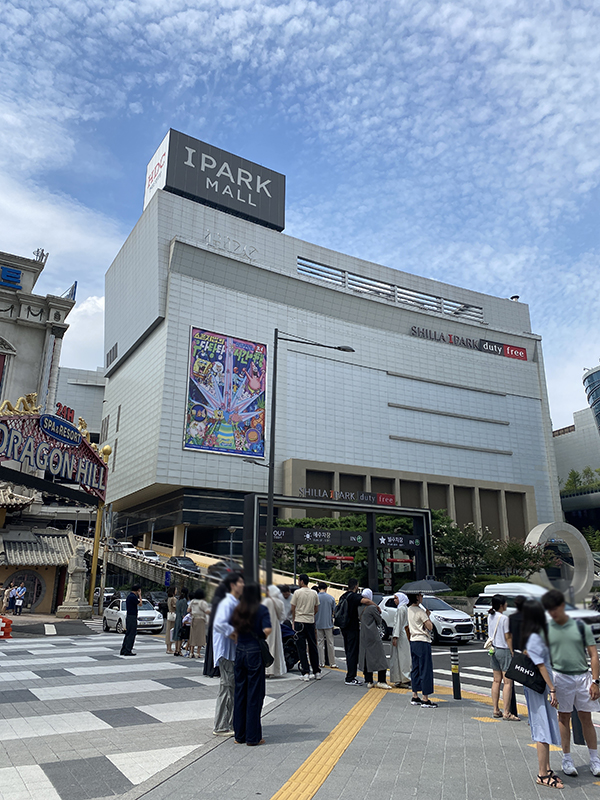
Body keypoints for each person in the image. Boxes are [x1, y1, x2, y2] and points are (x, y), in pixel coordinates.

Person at [542, 589, 600, 777]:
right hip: (561, 677)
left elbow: (593, 655)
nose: (552, 613)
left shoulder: (581, 626)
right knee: (563, 718)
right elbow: (539, 655)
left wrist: (595, 681)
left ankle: (595, 760)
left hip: (583, 677)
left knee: (586, 718)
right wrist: (551, 687)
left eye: (554, 608)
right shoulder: (547, 628)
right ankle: (567, 759)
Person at [520, 599, 563, 789]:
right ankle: (542, 774)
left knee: (545, 725)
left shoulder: (531, 632)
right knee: (542, 727)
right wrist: (552, 688)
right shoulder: (535, 635)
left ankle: (547, 768)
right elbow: (540, 664)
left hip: (538, 686)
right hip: (539, 687)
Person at [231, 583, 272, 745]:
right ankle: (253, 737)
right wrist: (259, 635)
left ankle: (239, 736)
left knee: (240, 693)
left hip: (240, 651)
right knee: (254, 694)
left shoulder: (238, 609)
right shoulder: (261, 609)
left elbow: (232, 631)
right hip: (254, 652)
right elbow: (267, 630)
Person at [212, 572, 244, 736]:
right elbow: (219, 624)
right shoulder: (227, 603)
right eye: (240, 583)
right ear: (232, 585)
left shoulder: (235, 602)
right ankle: (220, 726)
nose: (243, 585)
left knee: (231, 689)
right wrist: (235, 634)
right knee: (226, 688)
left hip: (231, 652)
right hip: (226, 653)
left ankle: (229, 723)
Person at [338, 578, 378, 686]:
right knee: (352, 652)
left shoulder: (343, 596)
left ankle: (350, 676)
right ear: (356, 586)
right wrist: (376, 606)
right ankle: (350, 677)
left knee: (348, 651)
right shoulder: (353, 596)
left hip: (344, 627)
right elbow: (367, 601)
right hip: (352, 628)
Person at [487, 593, 518, 720]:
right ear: (501, 605)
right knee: (507, 682)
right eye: (505, 603)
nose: (506, 604)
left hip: (493, 649)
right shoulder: (504, 618)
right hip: (504, 650)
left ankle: (495, 709)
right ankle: (506, 712)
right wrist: (512, 651)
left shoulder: (490, 616)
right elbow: (508, 637)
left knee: (496, 680)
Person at [407, 592, 437, 708]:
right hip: (423, 641)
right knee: (425, 669)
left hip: (413, 640)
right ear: (417, 597)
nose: (422, 597)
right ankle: (425, 698)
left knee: (415, 668)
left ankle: (415, 695)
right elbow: (430, 627)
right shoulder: (420, 611)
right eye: (421, 595)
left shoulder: (409, 609)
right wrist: (427, 616)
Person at [291, 574, 321, 682]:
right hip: (310, 621)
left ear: (302, 581)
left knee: (301, 648)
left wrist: (294, 620)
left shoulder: (297, 593)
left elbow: (293, 607)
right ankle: (317, 671)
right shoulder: (314, 593)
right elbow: (316, 608)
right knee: (313, 646)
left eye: (299, 580)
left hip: (299, 621)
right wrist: (310, 615)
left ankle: (306, 672)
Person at [358, 589, 391, 689]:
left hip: (363, 634)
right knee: (380, 658)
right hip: (373, 634)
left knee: (367, 657)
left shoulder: (359, 607)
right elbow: (379, 621)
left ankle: (369, 680)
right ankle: (381, 680)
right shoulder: (372, 608)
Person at [204, 582, 227, 677]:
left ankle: (209, 669)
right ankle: (215, 670)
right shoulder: (221, 601)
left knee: (212, 649)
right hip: (218, 629)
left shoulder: (216, 600)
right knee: (218, 649)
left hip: (213, 627)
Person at [263, 585, 286, 677]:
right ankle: (275, 670)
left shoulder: (266, 601)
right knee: (276, 648)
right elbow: (283, 616)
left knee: (266, 647)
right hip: (276, 627)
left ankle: (267, 669)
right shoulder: (280, 602)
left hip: (265, 627)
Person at [389, 592, 411, 688]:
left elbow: (398, 623)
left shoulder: (401, 609)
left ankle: (403, 679)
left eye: (396, 598)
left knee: (400, 657)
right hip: (404, 634)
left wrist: (395, 636)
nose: (394, 600)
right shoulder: (405, 608)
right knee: (404, 657)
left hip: (400, 635)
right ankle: (403, 678)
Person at [315, 582, 337, 669]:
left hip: (318, 623)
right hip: (328, 623)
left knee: (320, 643)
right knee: (330, 643)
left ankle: (321, 662)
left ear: (318, 588)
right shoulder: (330, 598)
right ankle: (332, 663)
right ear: (326, 588)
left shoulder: (316, 597)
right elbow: (334, 610)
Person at [188, 588, 211, 658]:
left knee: (193, 635)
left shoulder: (192, 601)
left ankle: (191, 652)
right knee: (200, 636)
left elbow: (188, 610)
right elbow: (207, 611)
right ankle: (198, 653)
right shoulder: (202, 602)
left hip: (193, 619)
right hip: (200, 619)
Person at [120, 584, 142, 656]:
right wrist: (140, 596)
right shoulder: (133, 597)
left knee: (128, 633)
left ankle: (124, 649)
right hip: (132, 617)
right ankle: (128, 650)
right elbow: (140, 604)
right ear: (138, 590)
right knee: (131, 634)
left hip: (129, 616)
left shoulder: (129, 596)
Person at [173, 587, 189, 656]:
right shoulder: (184, 600)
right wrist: (184, 621)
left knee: (177, 634)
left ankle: (176, 649)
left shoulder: (178, 600)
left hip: (177, 618)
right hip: (181, 619)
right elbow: (184, 612)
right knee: (180, 635)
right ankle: (179, 650)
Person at [165, 587, 177, 654]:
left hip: (169, 615)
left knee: (168, 631)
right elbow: (175, 606)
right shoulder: (173, 599)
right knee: (172, 632)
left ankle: (168, 648)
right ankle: (169, 649)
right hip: (173, 615)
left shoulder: (169, 599)